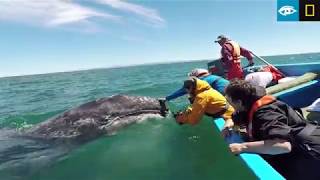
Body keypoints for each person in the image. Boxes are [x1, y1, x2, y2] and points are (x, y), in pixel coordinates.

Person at [224, 80, 320, 180]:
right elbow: (240, 115)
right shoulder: (251, 102)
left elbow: (282, 146)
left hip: (310, 150)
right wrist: (229, 122)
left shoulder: (266, 113)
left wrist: (242, 147)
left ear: (239, 102)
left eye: (230, 102)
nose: (230, 105)